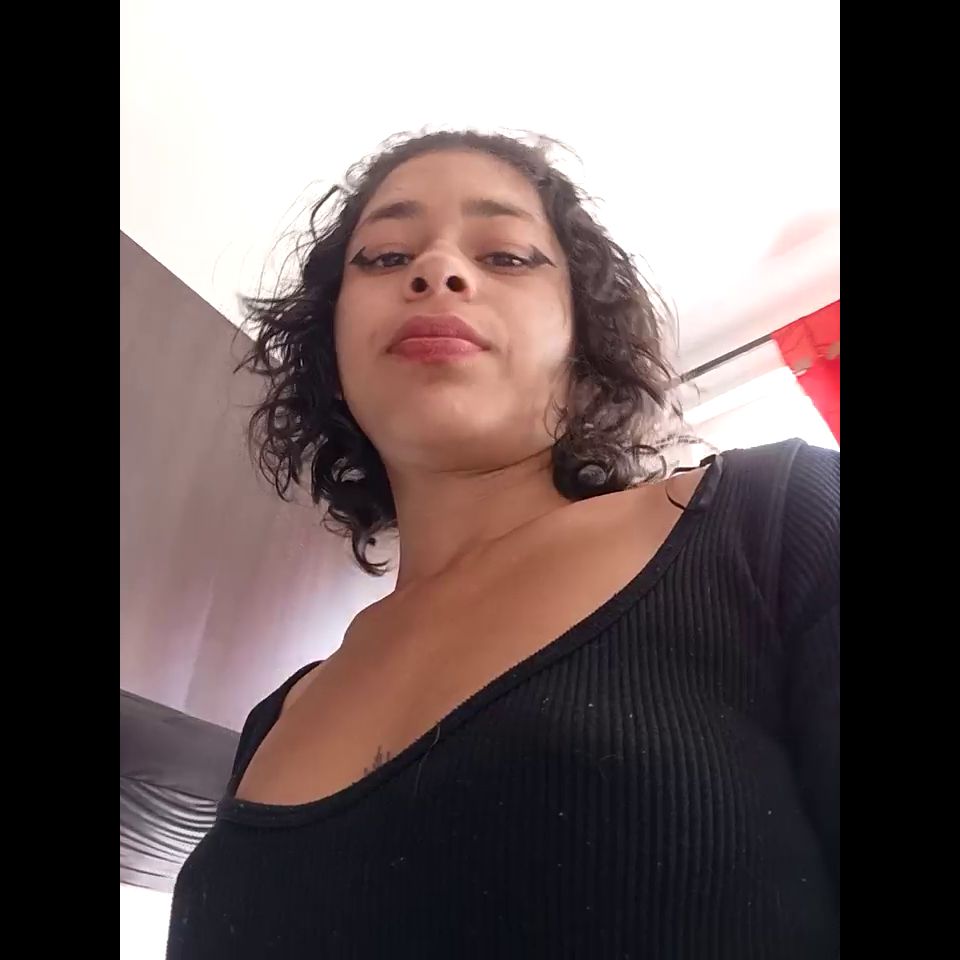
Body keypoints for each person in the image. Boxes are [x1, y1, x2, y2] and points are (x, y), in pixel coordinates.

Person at [167, 130, 839, 959]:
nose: (437, 270)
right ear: (332, 347)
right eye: (384, 257)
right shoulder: (277, 717)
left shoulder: (783, 519)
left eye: (508, 255)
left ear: (583, 340)